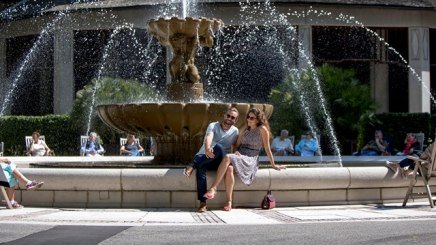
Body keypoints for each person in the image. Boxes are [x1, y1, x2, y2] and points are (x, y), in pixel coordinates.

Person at [203, 108, 286, 211]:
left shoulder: (262, 129)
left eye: (252, 118)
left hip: (251, 158)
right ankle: (229, 202)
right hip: (240, 155)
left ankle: (213, 188)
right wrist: (236, 151)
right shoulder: (244, 129)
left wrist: (273, 165)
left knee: (228, 156)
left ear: (258, 119)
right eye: (248, 117)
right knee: (229, 169)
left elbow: (267, 148)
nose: (249, 119)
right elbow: (236, 145)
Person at [183, 107, 239, 213]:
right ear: (224, 116)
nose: (229, 118)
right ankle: (203, 203)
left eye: (232, 117)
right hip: (205, 158)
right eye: (228, 115)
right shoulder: (213, 125)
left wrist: (236, 155)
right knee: (201, 168)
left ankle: (192, 164)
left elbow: (235, 146)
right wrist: (208, 148)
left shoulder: (235, 131)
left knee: (219, 148)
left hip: (220, 162)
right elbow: (209, 136)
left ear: (235, 120)